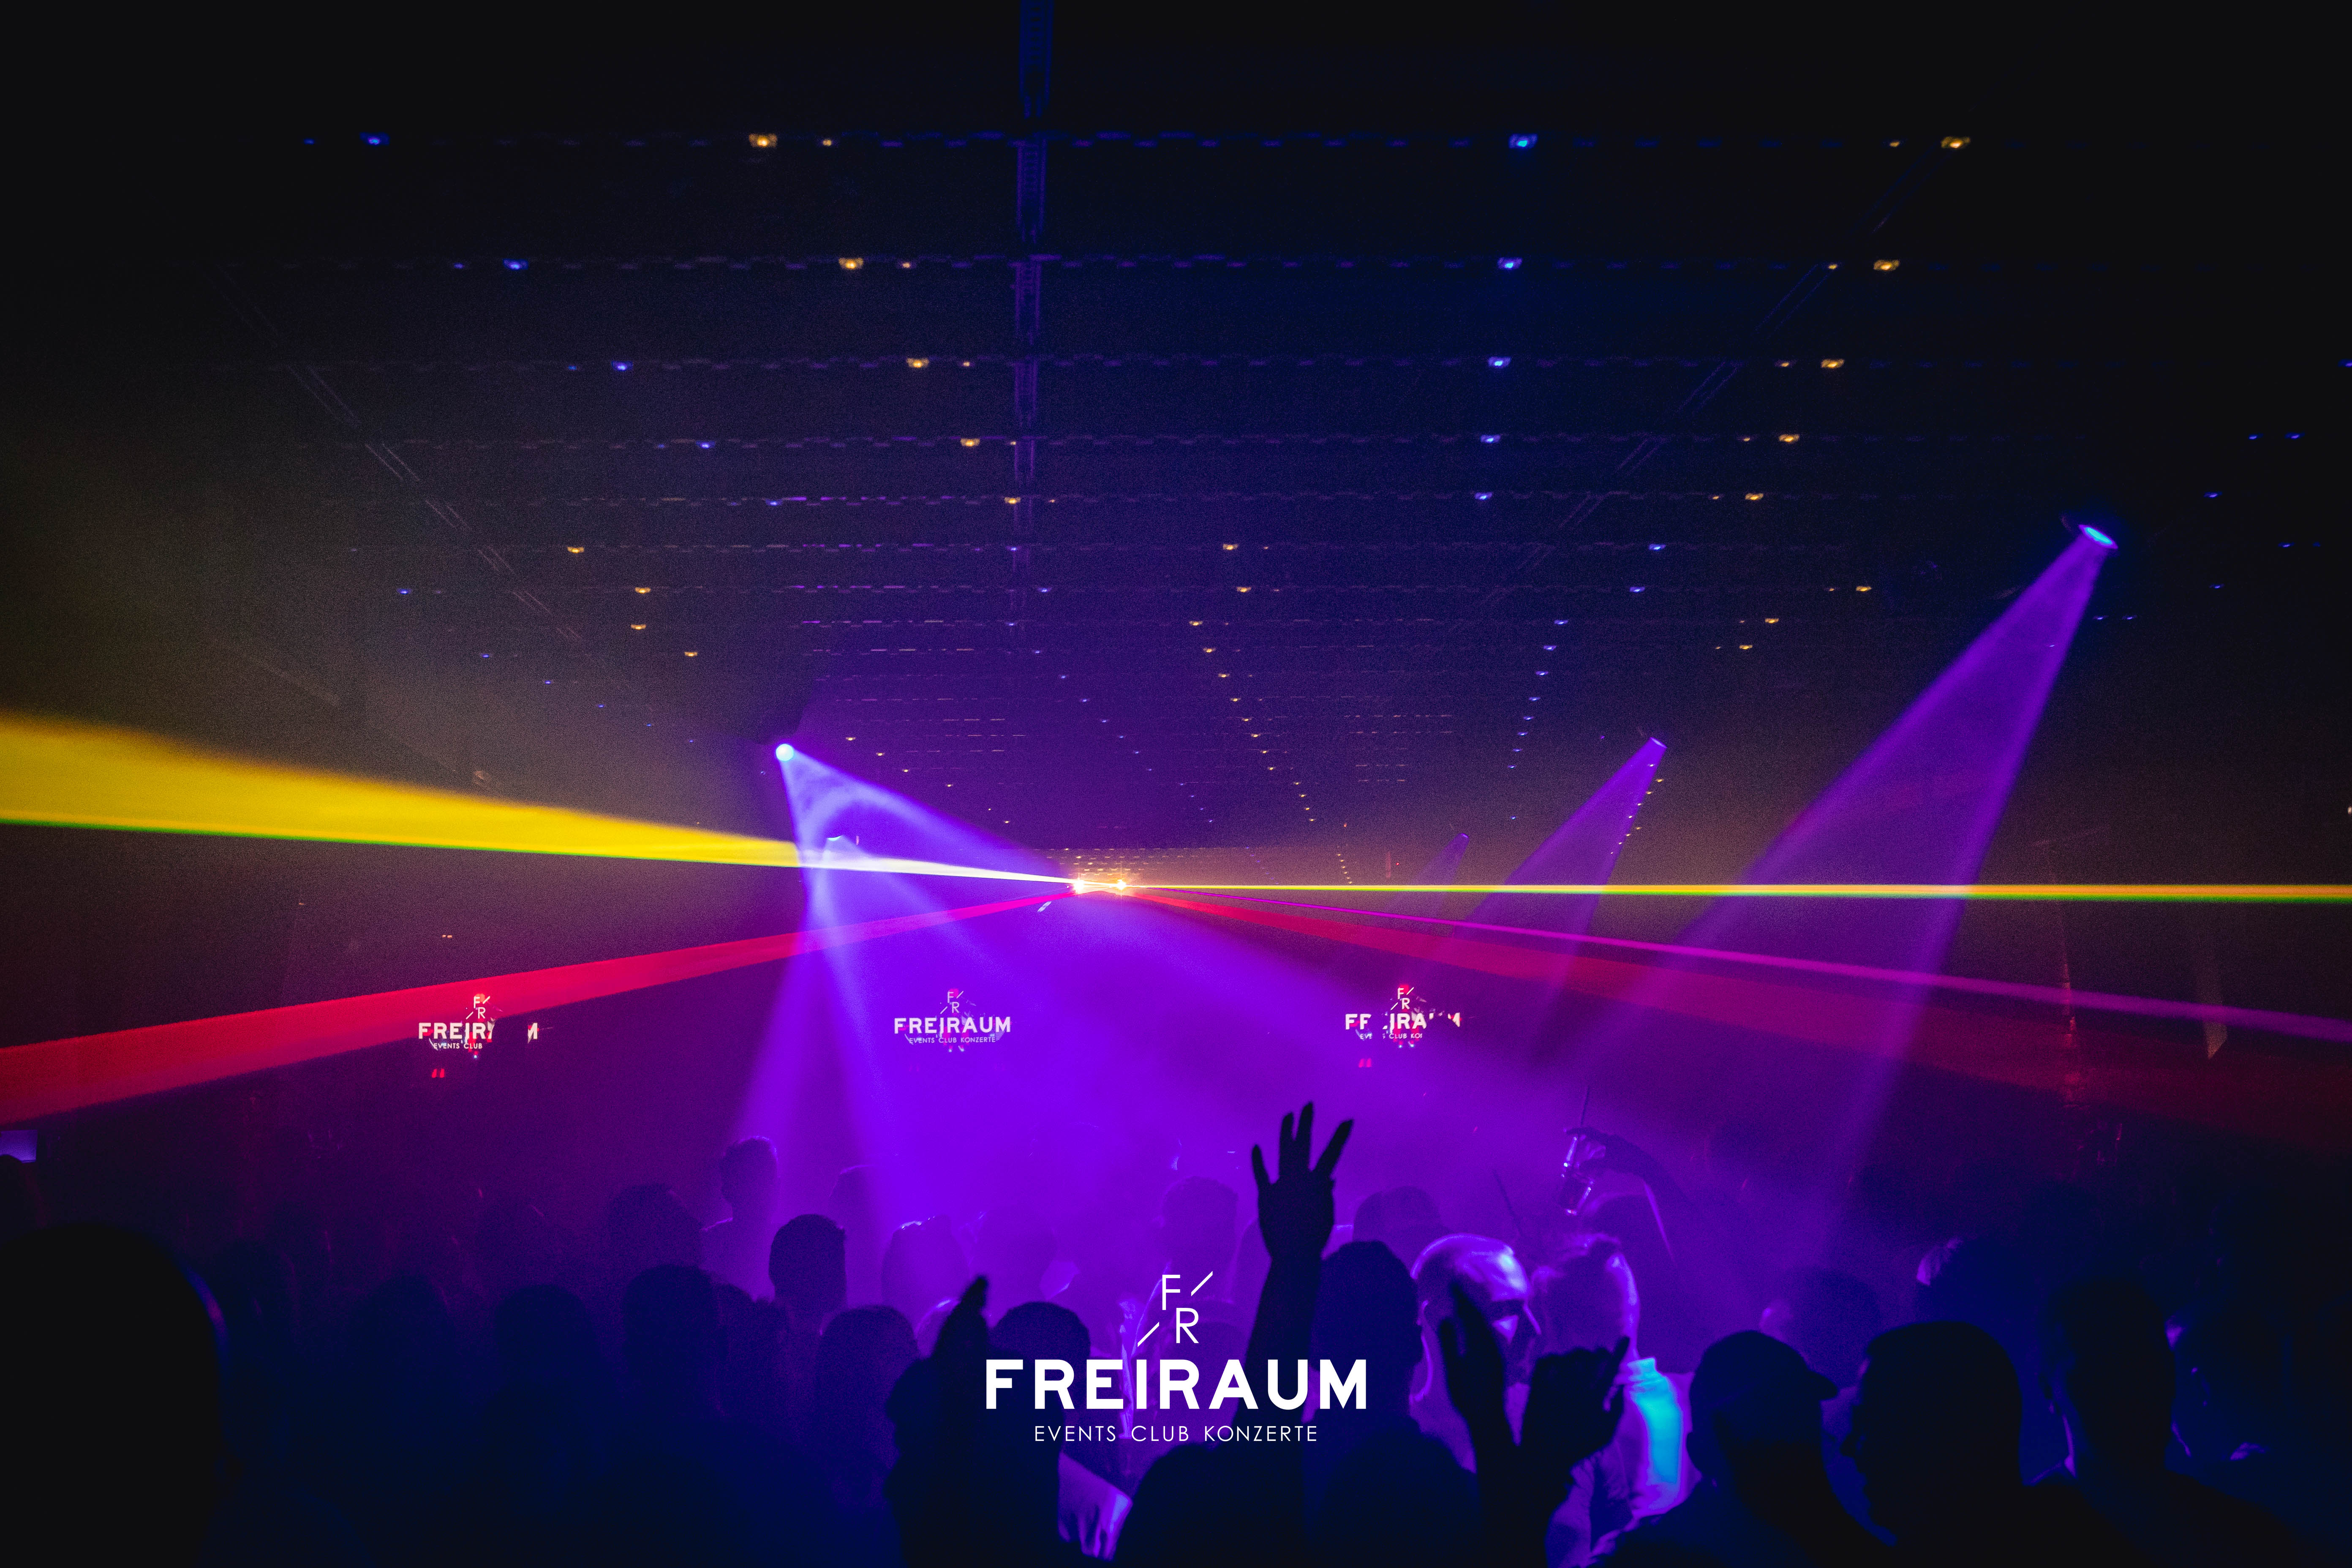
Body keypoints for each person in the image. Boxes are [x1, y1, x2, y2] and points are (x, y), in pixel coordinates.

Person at [2034, 1276, 2303, 1566]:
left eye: (2143, 1362)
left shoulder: (2249, 1534)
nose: (2126, 1387)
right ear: (2049, 1391)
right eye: (2098, 1370)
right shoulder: (2017, 1535)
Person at [1608, 1331, 1842, 1567]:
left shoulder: (1831, 1544)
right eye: (1767, 1446)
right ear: (1704, 1455)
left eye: (1803, 1429)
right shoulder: (1647, 1557)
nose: (1797, 1463)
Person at [1537, 1236, 1692, 1524]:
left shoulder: (1692, 1390)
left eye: (1616, 1292)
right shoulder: (1558, 1415)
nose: (1612, 1305)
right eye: (1600, 1294)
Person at [703, 1138, 779, 1299]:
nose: (761, 1190)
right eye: (752, 1180)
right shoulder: (708, 1243)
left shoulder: (709, 1241)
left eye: (767, 1179)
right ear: (729, 1189)